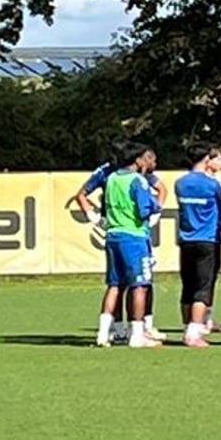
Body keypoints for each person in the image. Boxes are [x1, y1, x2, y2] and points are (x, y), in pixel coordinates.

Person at [78, 142, 167, 344]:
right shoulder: (137, 180)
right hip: (134, 236)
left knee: (114, 285)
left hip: (113, 235)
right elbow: (144, 209)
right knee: (140, 285)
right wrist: (154, 207)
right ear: (137, 160)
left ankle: (103, 333)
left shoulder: (112, 179)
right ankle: (137, 334)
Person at [175, 143, 221, 348]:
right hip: (207, 239)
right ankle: (194, 331)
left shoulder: (181, 183)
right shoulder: (212, 184)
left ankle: (187, 326)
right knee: (203, 287)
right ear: (206, 159)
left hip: (186, 239)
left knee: (188, 285)